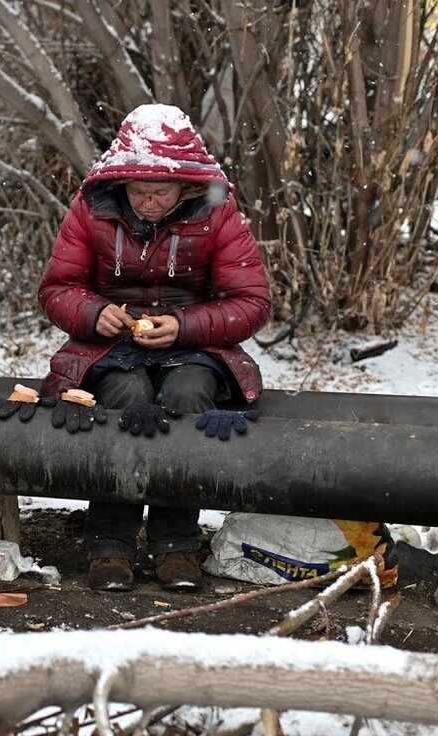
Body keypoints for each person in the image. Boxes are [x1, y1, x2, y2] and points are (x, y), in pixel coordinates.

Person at [35, 103, 272, 593]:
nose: (147, 202)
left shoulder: (218, 211)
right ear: (119, 183)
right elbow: (57, 289)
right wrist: (92, 313)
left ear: (185, 186)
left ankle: (176, 544)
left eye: (160, 191)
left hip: (197, 346)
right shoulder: (91, 207)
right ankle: (109, 546)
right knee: (127, 398)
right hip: (107, 347)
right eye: (138, 191)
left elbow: (252, 302)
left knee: (186, 398)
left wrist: (185, 325)